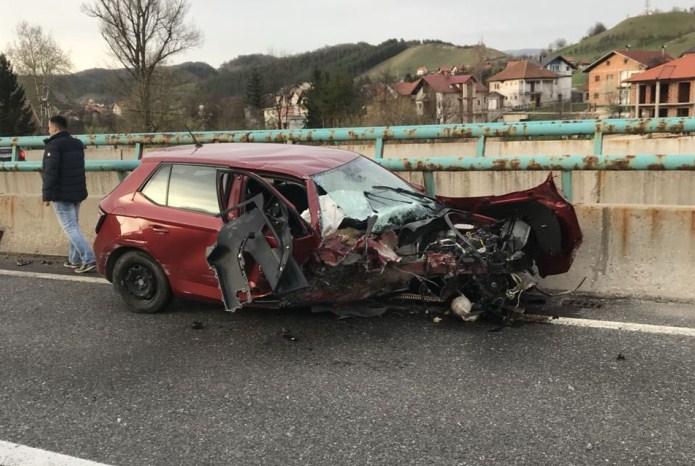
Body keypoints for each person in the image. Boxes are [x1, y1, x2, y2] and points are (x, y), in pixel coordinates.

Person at [42, 115, 96, 273]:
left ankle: (88, 258)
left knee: (70, 227)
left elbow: (50, 173)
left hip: (61, 193)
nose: (48, 129)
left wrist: (47, 196)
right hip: (77, 192)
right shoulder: (77, 144)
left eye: (49, 127)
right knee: (74, 226)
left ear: (55, 128)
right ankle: (75, 259)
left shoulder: (53, 146)